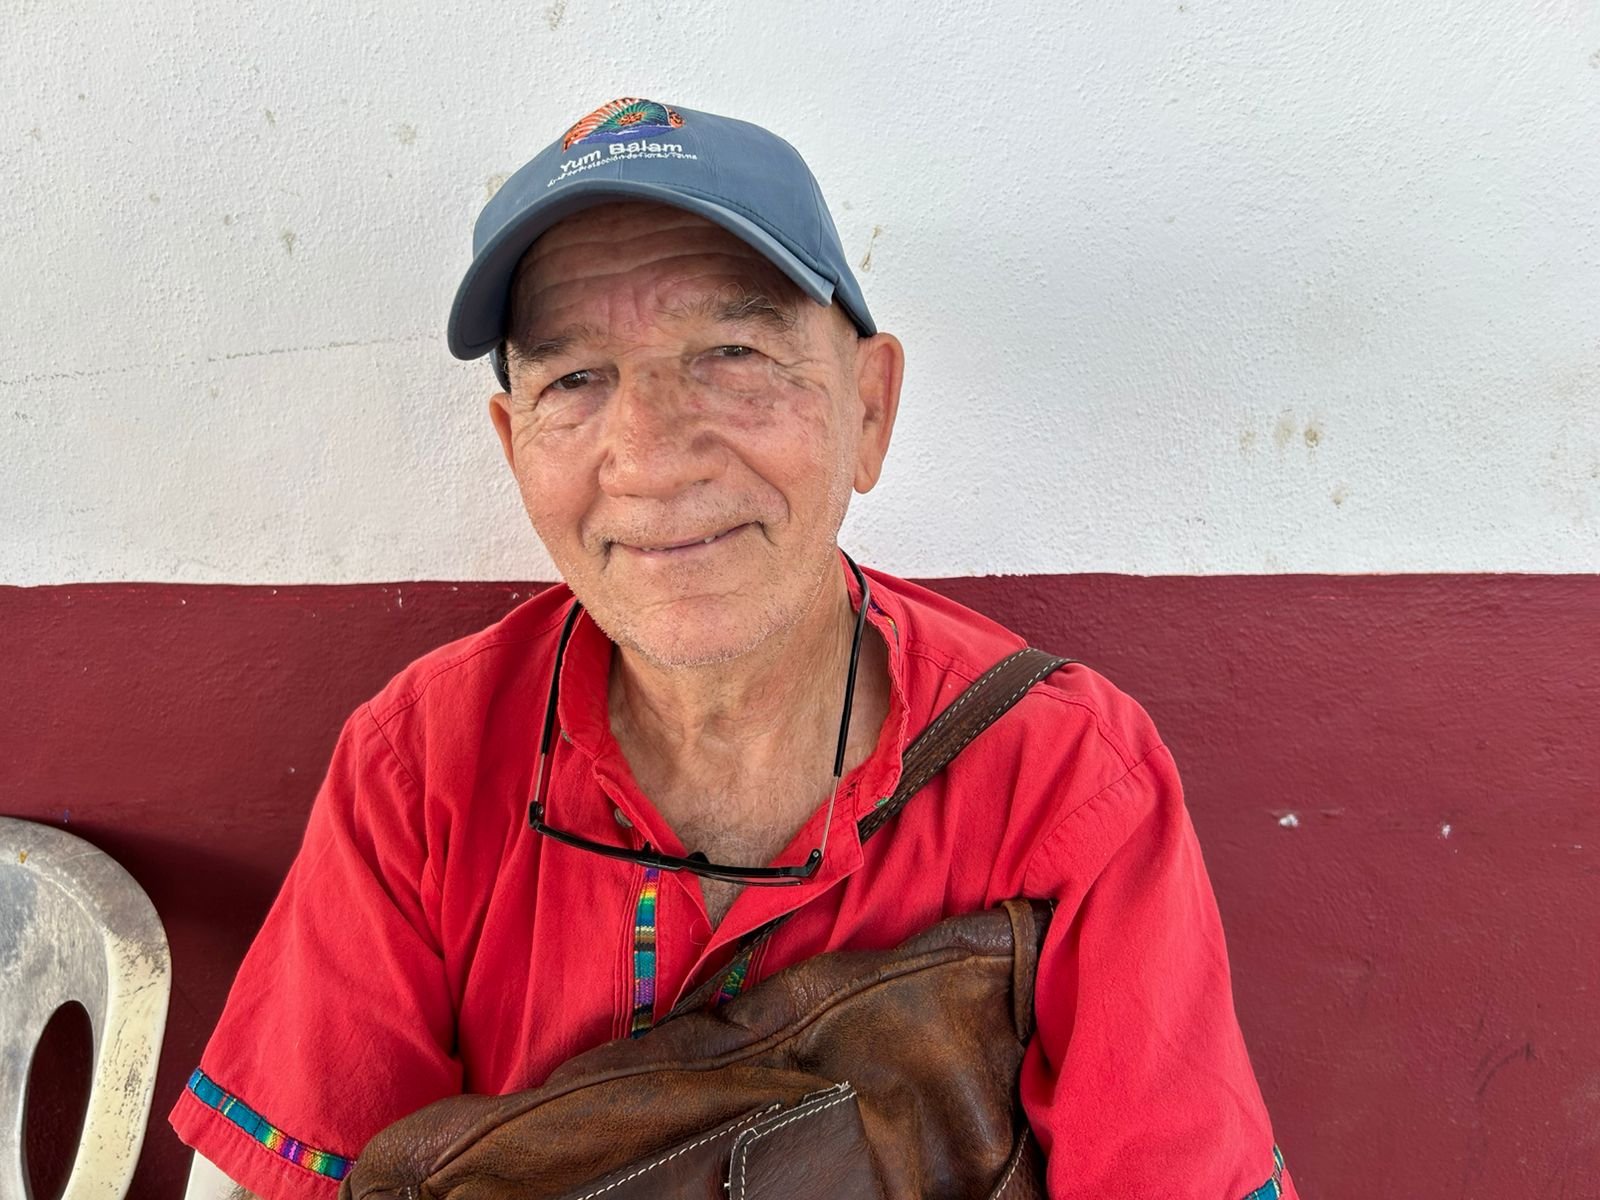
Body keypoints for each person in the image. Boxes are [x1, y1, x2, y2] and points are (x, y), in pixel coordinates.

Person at [174, 97, 1297, 1200]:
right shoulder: (423, 762)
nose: (653, 458)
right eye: (574, 379)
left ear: (868, 409)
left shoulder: (1063, 776)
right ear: (516, 446)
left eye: (733, 352)